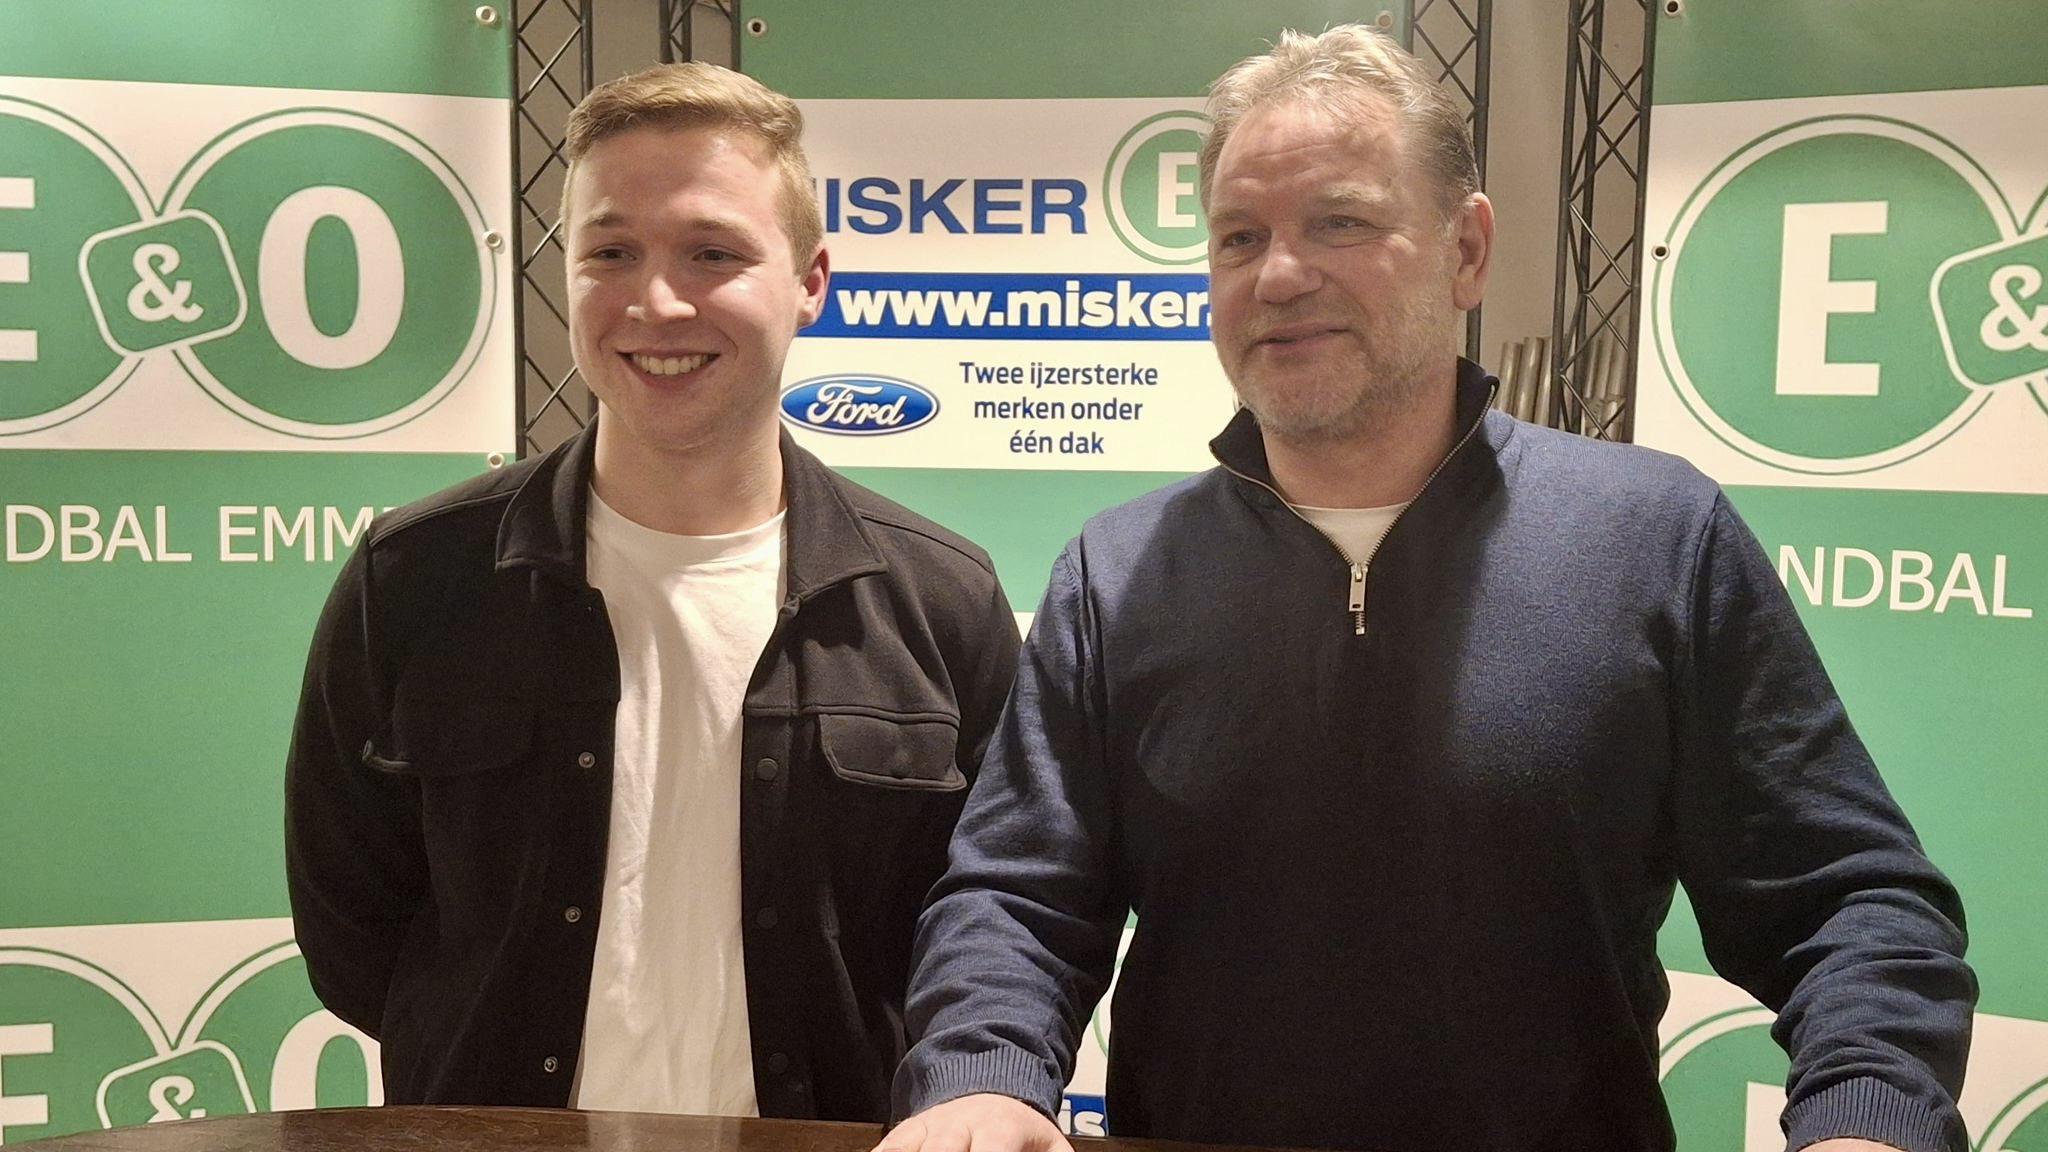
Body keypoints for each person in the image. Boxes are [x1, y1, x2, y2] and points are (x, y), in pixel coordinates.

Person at [881, 25, 1973, 1152]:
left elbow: (1849, 903)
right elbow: (1016, 896)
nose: (1279, 276)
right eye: (1238, 237)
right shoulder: (1116, 574)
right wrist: (982, 1076)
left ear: (1467, 250)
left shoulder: (1655, 539)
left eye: (1340, 223)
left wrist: (1866, 1116)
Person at [285, 62, 1018, 1122]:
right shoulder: (412, 579)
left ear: (811, 281)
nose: (657, 302)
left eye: (712, 253)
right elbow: (352, 932)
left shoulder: (940, 601)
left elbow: (986, 928)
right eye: (611, 252)